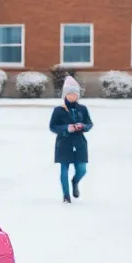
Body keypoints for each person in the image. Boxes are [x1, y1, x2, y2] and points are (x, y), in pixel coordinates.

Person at [49, 75, 93, 203]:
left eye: (75, 94)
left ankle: (75, 181)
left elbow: (89, 124)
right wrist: (67, 128)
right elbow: (52, 127)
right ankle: (66, 195)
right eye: (70, 94)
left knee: (82, 169)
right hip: (64, 143)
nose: (72, 96)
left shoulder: (82, 109)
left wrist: (83, 126)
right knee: (64, 169)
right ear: (65, 95)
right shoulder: (59, 110)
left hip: (79, 143)